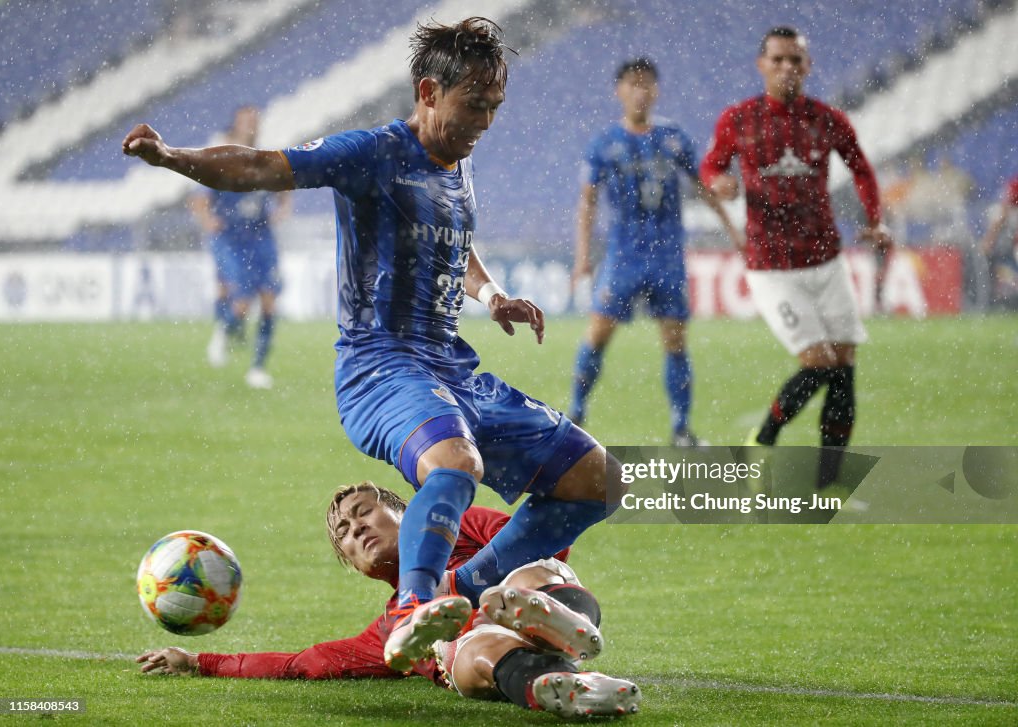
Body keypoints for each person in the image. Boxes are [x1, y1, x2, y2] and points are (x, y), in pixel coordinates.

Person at [123, 17, 621, 672]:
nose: (487, 120)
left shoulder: (456, 163)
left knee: (596, 479)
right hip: (379, 367)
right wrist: (172, 158)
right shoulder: (371, 153)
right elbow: (258, 165)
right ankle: (417, 607)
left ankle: (467, 588)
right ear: (428, 91)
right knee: (454, 463)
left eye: (495, 105)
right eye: (475, 103)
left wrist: (491, 293)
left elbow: (452, 237)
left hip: (452, 367)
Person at [136, 482, 641, 718]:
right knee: (472, 655)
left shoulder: (467, 525)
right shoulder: (389, 631)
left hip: (530, 591)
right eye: (346, 535)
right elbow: (298, 664)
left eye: (364, 514)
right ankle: (567, 686)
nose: (355, 528)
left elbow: (545, 537)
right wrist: (199, 661)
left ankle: (555, 622)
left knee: (529, 573)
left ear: (407, 512)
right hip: (493, 642)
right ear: (356, 566)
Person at [699, 26, 892, 486]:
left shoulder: (826, 120)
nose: (788, 68)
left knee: (844, 363)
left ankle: (830, 477)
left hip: (826, 259)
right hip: (772, 265)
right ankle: (761, 441)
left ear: (808, 67)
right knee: (820, 360)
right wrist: (719, 182)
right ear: (762, 65)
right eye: (779, 59)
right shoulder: (739, 119)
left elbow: (861, 168)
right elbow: (712, 165)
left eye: (796, 60)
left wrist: (877, 219)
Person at [569, 58, 740, 447]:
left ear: (656, 90)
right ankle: (575, 416)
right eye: (633, 84)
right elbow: (587, 203)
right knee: (597, 334)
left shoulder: (674, 138)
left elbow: (702, 187)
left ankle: (681, 429)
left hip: (667, 256)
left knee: (675, 340)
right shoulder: (605, 144)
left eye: (646, 84)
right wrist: (583, 257)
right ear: (620, 91)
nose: (640, 91)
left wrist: (733, 230)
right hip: (624, 255)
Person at [188, 105, 291, 389]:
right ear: (235, 125)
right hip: (231, 236)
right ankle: (224, 330)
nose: (251, 125)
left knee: (270, 299)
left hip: (261, 235)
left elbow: (284, 186)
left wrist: (283, 208)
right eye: (246, 120)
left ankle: (257, 368)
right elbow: (198, 196)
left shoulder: (266, 160)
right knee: (242, 299)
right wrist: (207, 218)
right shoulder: (221, 158)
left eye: (255, 120)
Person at [980, 175, 1018, 309]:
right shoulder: (1015, 184)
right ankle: (994, 302)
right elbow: (1004, 212)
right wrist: (990, 240)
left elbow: (1003, 214)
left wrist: (989, 240)